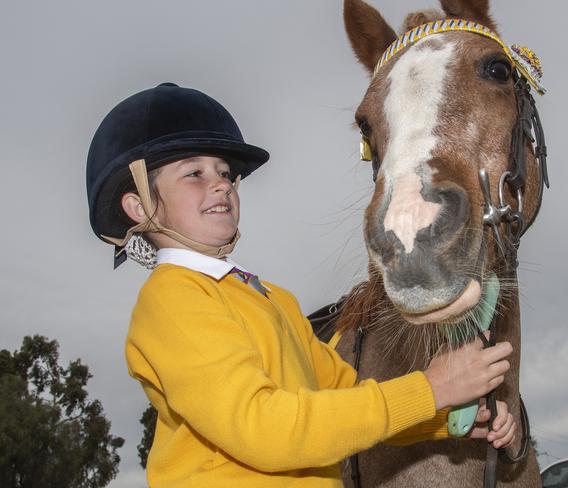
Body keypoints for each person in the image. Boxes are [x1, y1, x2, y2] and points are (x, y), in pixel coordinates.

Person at [86, 83, 517, 487]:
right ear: (139, 204)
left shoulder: (270, 297)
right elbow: (265, 429)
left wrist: (445, 414)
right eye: (193, 173)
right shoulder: (172, 298)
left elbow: (348, 397)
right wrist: (431, 387)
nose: (220, 183)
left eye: (224, 172)